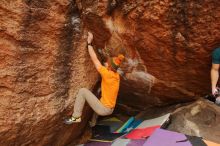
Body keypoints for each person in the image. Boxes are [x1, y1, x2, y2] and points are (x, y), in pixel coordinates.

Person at [64, 32, 125, 124]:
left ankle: (76, 117)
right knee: (98, 98)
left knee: (83, 91)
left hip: (104, 109)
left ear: (109, 67)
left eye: (108, 63)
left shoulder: (106, 74)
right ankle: (93, 123)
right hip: (109, 108)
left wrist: (89, 43)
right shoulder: (116, 76)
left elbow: (95, 60)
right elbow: (108, 67)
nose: (106, 62)